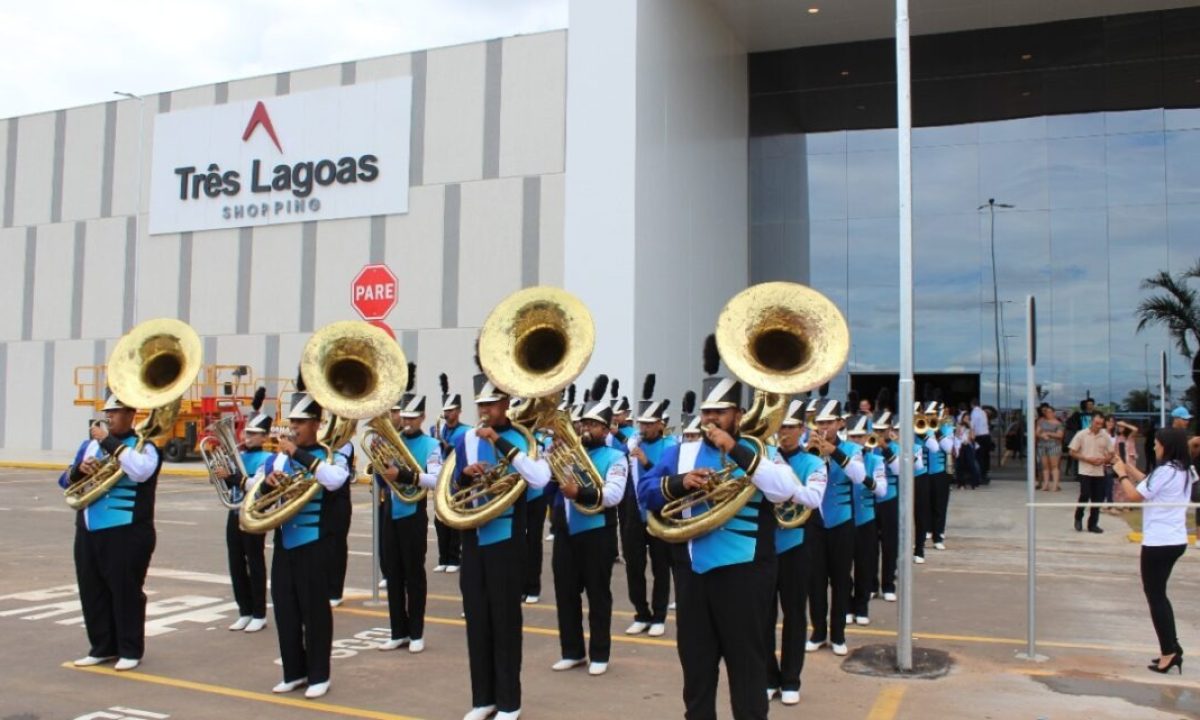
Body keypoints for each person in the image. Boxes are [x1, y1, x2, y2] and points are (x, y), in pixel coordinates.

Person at [637, 339, 801, 720]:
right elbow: (645, 492)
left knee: (748, 672)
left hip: (746, 574)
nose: (710, 419)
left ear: (738, 415)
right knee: (696, 672)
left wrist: (736, 448)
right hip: (693, 575)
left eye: (720, 412)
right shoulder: (683, 451)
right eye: (706, 412)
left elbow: (785, 490)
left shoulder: (762, 450)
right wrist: (681, 483)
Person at [453, 372, 552, 720]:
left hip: (508, 540)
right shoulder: (465, 439)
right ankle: (483, 699)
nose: (485, 411)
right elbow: (452, 489)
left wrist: (500, 442)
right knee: (477, 620)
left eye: (492, 404)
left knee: (505, 622)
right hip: (473, 537)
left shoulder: (522, 438)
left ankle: (510, 703)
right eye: (481, 405)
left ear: (506, 404)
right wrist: (464, 476)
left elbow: (539, 478)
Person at [258, 388, 350, 699]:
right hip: (285, 543)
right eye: (292, 421)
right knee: (285, 610)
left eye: (300, 422)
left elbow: (335, 480)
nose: (294, 427)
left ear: (316, 424)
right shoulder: (278, 460)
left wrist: (297, 453)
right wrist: (266, 486)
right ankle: (293, 672)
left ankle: (319, 675)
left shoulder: (332, 456)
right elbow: (260, 497)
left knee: (315, 613)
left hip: (316, 544)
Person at [62, 391, 162, 672]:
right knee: (91, 590)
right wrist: (80, 470)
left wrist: (108, 441)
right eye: (107, 412)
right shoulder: (89, 446)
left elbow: (141, 472)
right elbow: (65, 480)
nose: (109, 417)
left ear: (131, 414)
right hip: (88, 528)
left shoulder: (144, 447)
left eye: (115, 412)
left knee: (125, 591)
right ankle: (102, 647)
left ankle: (130, 649)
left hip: (126, 530)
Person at [549, 392, 628, 675]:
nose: (586, 429)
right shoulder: (569, 453)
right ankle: (572, 652)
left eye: (593, 425)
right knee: (565, 594)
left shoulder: (616, 457)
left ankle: (600, 654)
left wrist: (579, 492)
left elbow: (614, 495)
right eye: (584, 423)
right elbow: (549, 483)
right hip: (566, 531)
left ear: (606, 430)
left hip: (597, 533)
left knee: (598, 594)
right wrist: (551, 458)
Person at [1111, 428, 1193, 674]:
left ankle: (1169, 651)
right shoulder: (1182, 469)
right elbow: (1150, 482)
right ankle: (1172, 647)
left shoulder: (1166, 471)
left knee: (1156, 596)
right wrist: (1127, 467)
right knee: (1159, 595)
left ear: (1167, 446)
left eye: (1157, 444)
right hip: (1175, 539)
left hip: (1160, 542)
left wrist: (1120, 474)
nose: (1154, 447)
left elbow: (1135, 496)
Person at [766, 400, 827, 706]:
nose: (785, 433)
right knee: (763, 616)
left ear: (802, 429)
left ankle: (791, 679)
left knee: (794, 614)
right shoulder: (767, 458)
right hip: (765, 545)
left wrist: (781, 484)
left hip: (797, 545)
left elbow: (813, 498)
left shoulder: (814, 463)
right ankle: (768, 677)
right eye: (782, 427)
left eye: (791, 427)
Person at [378, 390, 441, 654]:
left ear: (423, 417)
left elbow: (436, 480)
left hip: (414, 514)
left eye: (412, 418)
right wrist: (380, 464)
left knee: (414, 575)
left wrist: (404, 475)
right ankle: (397, 632)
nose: (407, 422)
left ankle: (416, 632)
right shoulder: (393, 442)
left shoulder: (431, 445)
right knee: (393, 574)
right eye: (404, 417)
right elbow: (381, 478)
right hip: (390, 512)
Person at [806, 400, 871, 656]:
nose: (824, 427)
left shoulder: (852, 449)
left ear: (840, 423)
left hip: (842, 522)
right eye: (820, 422)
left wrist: (833, 451)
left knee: (841, 579)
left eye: (829, 422)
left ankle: (838, 635)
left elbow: (859, 476)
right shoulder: (807, 447)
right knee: (815, 580)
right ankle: (818, 632)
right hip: (815, 521)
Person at [623, 376, 675, 637]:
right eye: (640, 423)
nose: (643, 428)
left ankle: (659, 616)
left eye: (648, 424)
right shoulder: (634, 443)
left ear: (660, 424)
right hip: (634, 510)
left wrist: (645, 462)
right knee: (634, 565)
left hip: (659, 511)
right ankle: (641, 614)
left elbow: (669, 479)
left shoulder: (670, 446)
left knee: (660, 567)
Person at [213, 407, 272, 633]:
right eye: (247, 432)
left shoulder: (268, 459)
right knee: (235, 563)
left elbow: (256, 486)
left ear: (265, 437)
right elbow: (228, 483)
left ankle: (259, 614)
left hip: (254, 514)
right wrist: (219, 473)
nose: (248, 437)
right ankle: (244, 611)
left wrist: (232, 477)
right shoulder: (238, 456)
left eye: (254, 434)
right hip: (234, 513)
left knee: (254, 564)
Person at [846, 415, 888, 625]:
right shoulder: (840, 459)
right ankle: (846, 606)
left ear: (866, 438)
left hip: (866, 520)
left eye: (859, 437)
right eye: (852, 436)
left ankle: (862, 607)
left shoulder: (876, 461)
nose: (856, 441)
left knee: (865, 566)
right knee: (842, 568)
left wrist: (863, 476)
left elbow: (882, 490)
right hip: (843, 521)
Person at [433, 375, 467, 574]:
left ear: (459, 411)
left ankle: (454, 558)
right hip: (441, 481)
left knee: (455, 520)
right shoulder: (437, 429)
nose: (447, 414)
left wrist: (447, 445)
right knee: (440, 521)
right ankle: (443, 558)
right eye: (445, 410)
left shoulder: (466, 431)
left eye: (451, 410)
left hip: (457, 481)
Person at [1068, 412, 1114, 534]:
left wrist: (1104, 460)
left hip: (1099, 471)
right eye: (1096, 423)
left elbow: (1111, 453)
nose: (1098, 426)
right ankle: (1078, 517)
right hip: (1085, 470)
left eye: (1101, 424)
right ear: (1091, 421)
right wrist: (1086, 459)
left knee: (1097, 498)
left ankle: (1093, 524)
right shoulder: (1081, 434)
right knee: (1085, 495)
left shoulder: (1105, 436)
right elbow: (1072, 452)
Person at [873, 411, 902, 601]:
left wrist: (885, 448)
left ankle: (888, 585)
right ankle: (871, 585)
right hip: (869, 500)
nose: (878, 433)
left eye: (882, 430)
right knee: (870, 547)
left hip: (889, 499)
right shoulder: (867, 448)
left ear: (889, 429)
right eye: (876, 430)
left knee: (889, 544)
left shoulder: (896, 448)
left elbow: (899, 470)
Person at [1035, 404, 1064, 492]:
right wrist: (1042, 435)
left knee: (1054, 466)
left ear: (1054, 413)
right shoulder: (1041, 422)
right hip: (1042, 445)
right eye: (1047, 412)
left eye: (1050, 412)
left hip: (1054, 446)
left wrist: (1048, 433)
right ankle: (1046, 484)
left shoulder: (1059, 423)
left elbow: (1060, 435)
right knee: (1045, 466)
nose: (1048, 413)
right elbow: (1037, 432)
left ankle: (1055, 485)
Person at [969, 398, 992, 484]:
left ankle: (980, 476)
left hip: (980, 437)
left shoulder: (974, 412)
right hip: (987, 436)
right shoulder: (983, 412)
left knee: (979, 457)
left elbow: (972, 426)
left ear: (972, 404)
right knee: (985, 456)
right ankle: (985, 474)